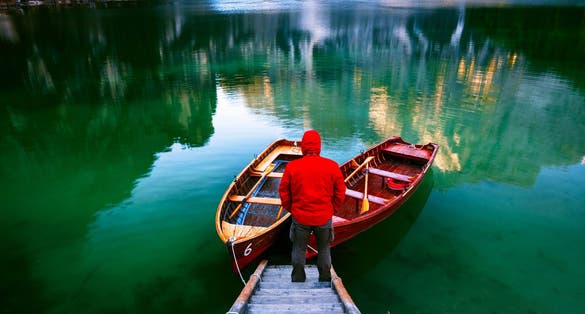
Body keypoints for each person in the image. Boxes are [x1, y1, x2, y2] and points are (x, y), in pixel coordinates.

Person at [279, 130, 346, 282]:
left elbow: (283, 192)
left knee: (298, 249)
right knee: (324, 249)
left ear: (303, 147)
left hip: (300, 218)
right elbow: (341, 192)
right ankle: (324, 278)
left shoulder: (292, 167)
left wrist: (293, 209)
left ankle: (298, 278)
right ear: (319, 147)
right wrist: (332, 209)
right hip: (323, 218)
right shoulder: (332, 166)